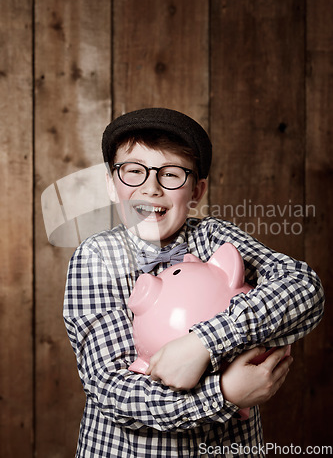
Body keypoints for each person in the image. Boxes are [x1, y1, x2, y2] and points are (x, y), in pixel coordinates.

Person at [63, 108, 324, 458]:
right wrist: (225, 392)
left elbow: (303, 286)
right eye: (134, 172)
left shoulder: (215, 238)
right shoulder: (96, 257)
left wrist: (203, 343)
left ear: (197, 191)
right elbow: (115, 391)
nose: (151, 188)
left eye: (171, 174)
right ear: (112, 184)